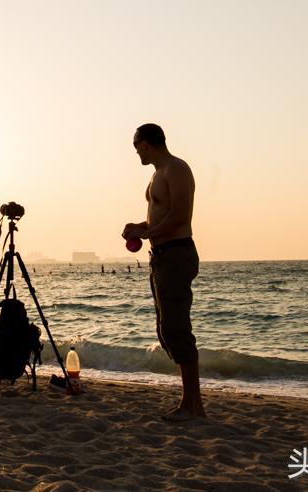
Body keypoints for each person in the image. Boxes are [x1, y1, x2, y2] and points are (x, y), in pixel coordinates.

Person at [122, 123, 205, 421]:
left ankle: (193, 406)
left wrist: (149, 232)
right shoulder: (156, 175)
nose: (136, 154)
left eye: (136, 148)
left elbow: (180, 216)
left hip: (177, 253)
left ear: (145, 144)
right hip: (160, 255)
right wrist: (139, 228)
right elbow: (158, 218)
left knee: (176, 328)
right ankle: (190, 404)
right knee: (166, 329)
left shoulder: (176, 169)